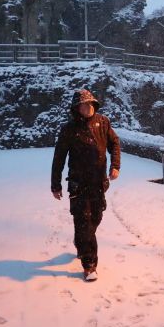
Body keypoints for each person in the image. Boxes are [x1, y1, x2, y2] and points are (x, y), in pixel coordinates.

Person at [50, 89, 121, 281]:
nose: (87, 107)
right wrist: (55, 184)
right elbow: (59, 158)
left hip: (98, 182)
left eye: (90, 103)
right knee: (84, 222)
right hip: (78, 184)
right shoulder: (69, 129)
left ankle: (81, 242)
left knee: (95, 218)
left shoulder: (103, 122)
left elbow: (114, 143)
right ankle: (89, 265)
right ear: (76, 108)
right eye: (83, 104)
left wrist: (115, 166)